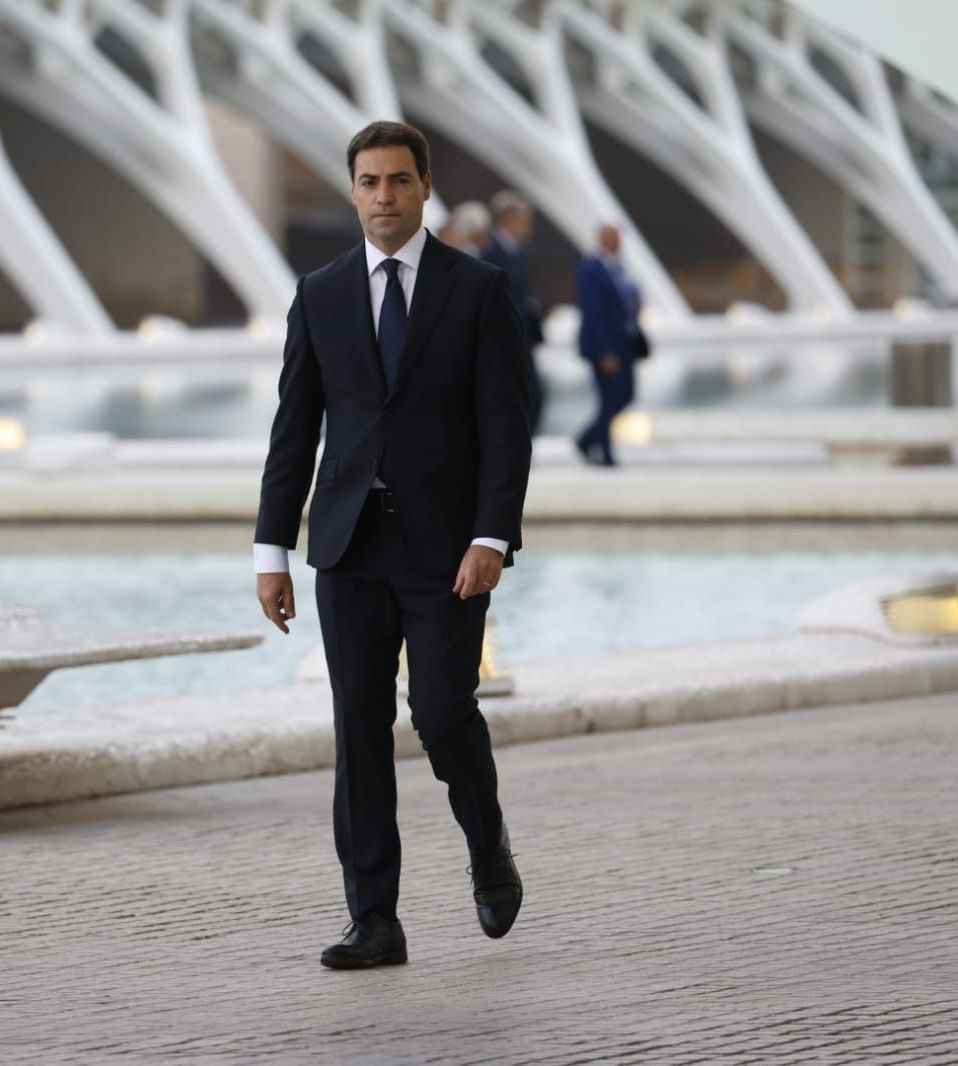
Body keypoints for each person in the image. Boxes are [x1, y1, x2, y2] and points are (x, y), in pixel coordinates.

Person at [253, 120, 532, 970]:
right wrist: (271, 550)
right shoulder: (321, 293)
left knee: (443, 713)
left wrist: (492, 534)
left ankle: (487, 848)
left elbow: (505, 427)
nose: (384, 196)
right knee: (358, 731)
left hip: (446, 549)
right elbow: (294, 428)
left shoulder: (477, 290)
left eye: (398, 181)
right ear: (352, 191)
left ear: (423, 187)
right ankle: (373, 918)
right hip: (346, 548)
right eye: (369, 182)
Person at [574, 223, 643, 466]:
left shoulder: (618, 268)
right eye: (615, 238)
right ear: (604, 240)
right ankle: (604, 452)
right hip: (606, 347)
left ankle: (587, 439)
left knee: (625, 395)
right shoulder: (591, 269)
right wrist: (605, 350)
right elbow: (594, 313)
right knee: (609, 398)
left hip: (624, 344)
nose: (619, 243)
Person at [479, 192, 546, 432]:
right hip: (504, 338)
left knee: (531, 395)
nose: (528, 227)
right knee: (520, 395)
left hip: (521, 336)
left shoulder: (516, 252)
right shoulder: (491, 252)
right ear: (509, 219)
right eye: (525, 220)